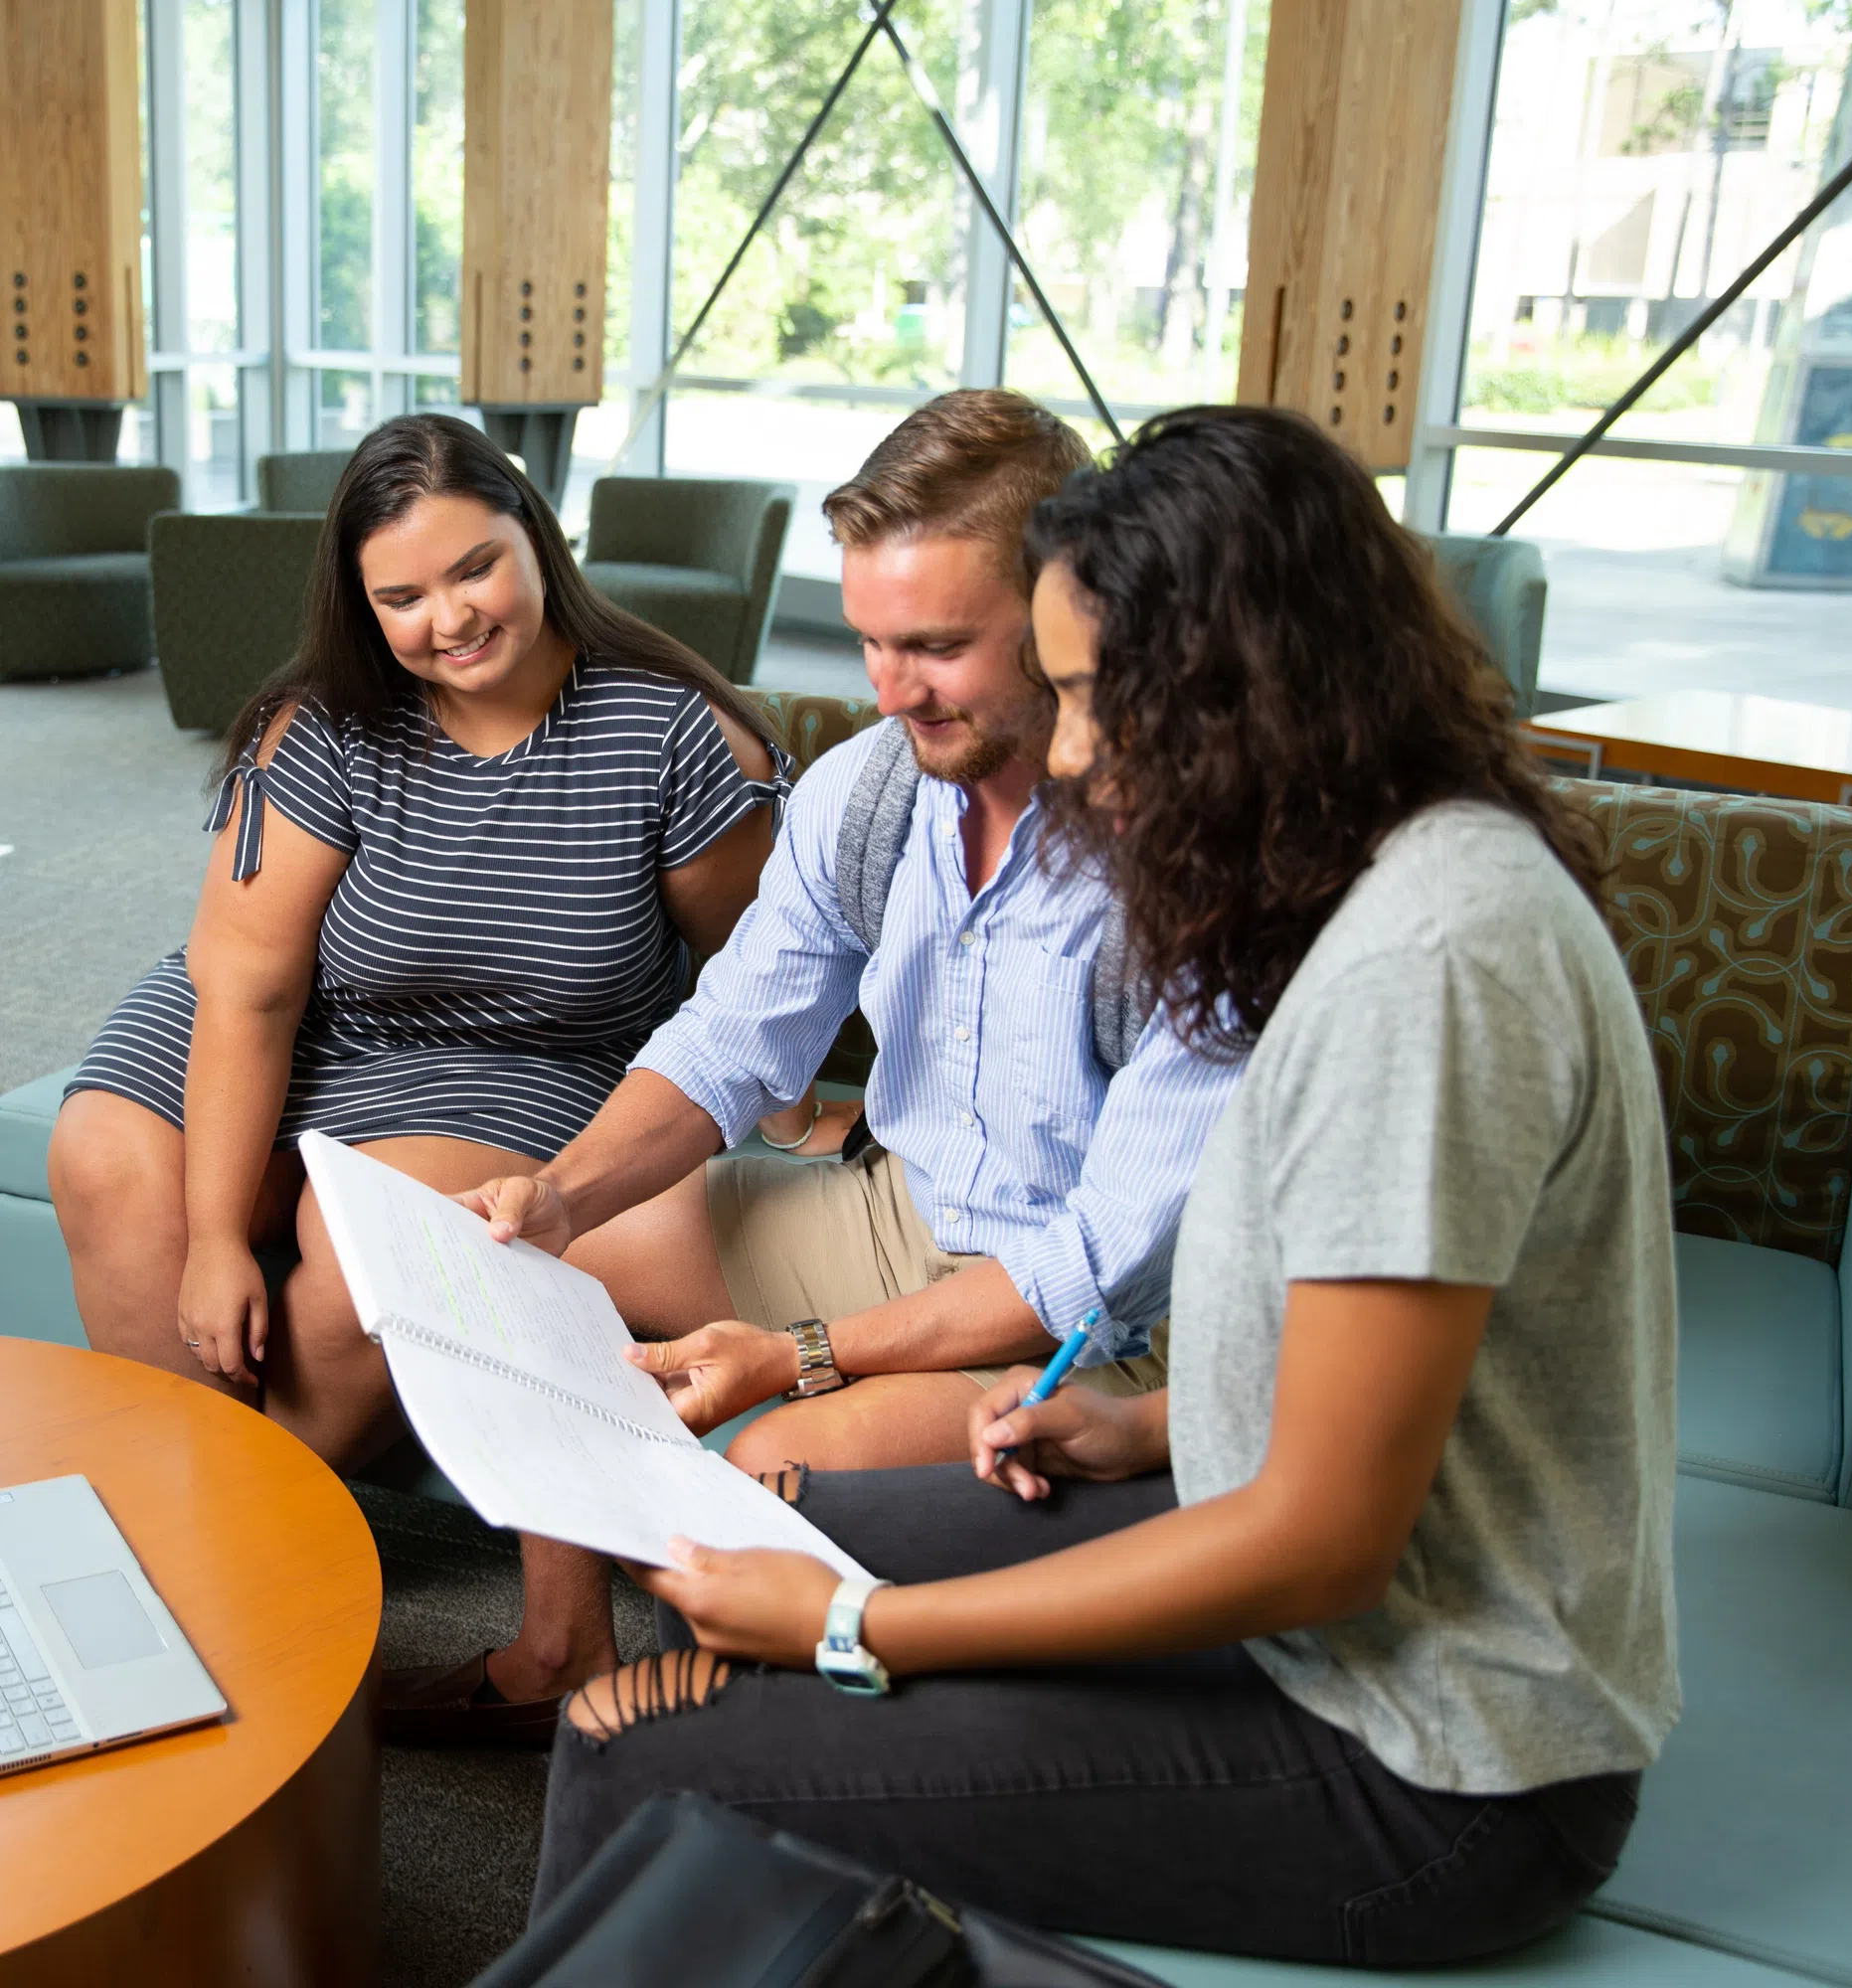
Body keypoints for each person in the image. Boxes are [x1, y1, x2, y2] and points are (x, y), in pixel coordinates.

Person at [525, 405, 1680, 1968]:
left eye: (1088, 697)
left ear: (1238, 691)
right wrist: (1146, 1427)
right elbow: (1356, 1408)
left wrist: (870, 1628)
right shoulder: (1378, 880)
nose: (1067, 753)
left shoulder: (1425, 969)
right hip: (1317, 1606)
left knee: (631, 1740)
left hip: (1434, 1758)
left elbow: (1323, 1541)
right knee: (760, 1535)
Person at [397, 389, 1246, 1742]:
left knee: (782, 1474)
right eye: (866, 640)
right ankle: (562, 1646)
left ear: (1071, 616)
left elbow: (1099, 1266)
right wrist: (563, 1194)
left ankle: (772, 1776)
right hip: (900, 1210)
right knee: (531, 1257)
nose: (887, 687)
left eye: (936, 647)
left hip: (1115, 1335)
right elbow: (734, 1040)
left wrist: (802, 1357)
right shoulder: (877, 791)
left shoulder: (1181, 854)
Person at [47, 414, 786, 1477]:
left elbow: (756, 973)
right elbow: (251, 995)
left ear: (535, 534)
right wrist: (212, 1240)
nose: (450, 619)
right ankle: (182, 1505)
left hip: (523, 1058)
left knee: (361, 1264)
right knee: (107, 1157)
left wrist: (795, 1111)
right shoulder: (328, 721)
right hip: (304, 1013)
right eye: (402, 598)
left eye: (474, 569)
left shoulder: (672, 732)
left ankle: (254, 1513)